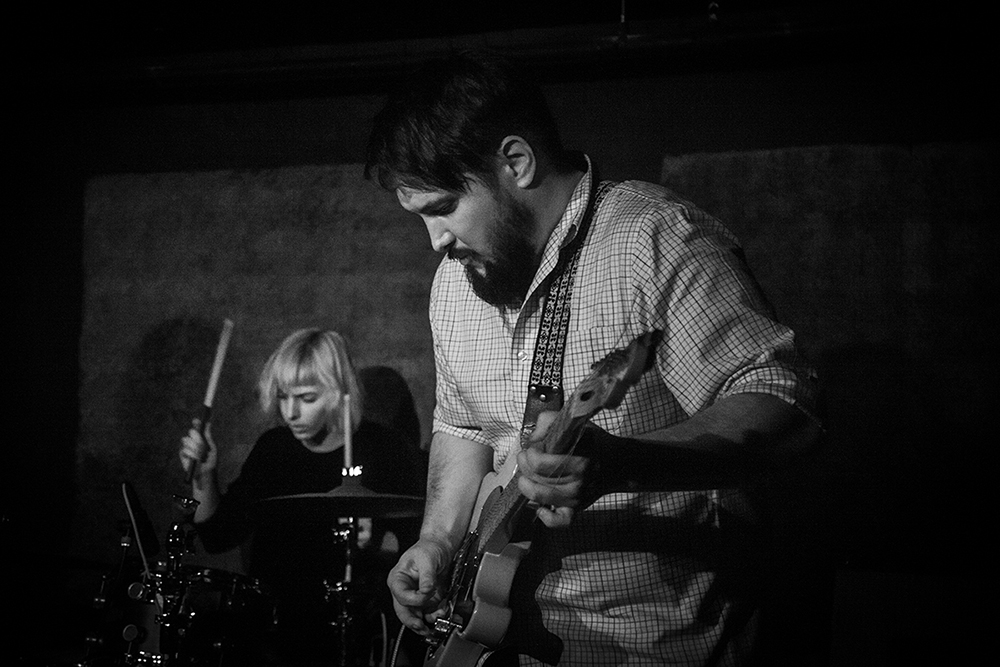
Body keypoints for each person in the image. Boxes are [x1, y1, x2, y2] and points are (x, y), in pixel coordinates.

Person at [364, 50, 823, 666]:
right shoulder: (455, 283)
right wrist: (437, 544)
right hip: (499, 639)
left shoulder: (653, 238)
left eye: (444, 208)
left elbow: (785, 406)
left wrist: (628, 464)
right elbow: (462, 426)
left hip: (655, 647)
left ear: (516, 163)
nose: (436, 242)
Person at [179, 328, 424, 666]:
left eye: (307, 398)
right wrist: (206, 475)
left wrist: (377, 544)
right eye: (283, 397)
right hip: (274, 633)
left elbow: (421, 548)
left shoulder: (386, 449)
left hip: (359, 632)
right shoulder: (273, 449)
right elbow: (218, 535)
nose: (291, 413)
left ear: (340, 391)